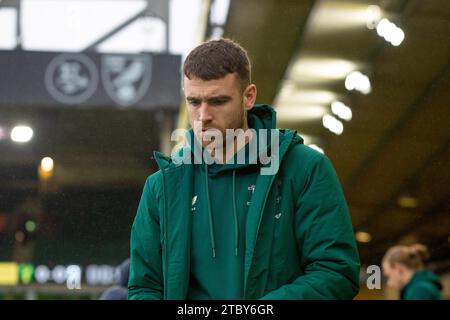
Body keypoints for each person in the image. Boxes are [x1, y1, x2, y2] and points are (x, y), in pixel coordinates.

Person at [128, 38, 360, 300]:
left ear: (248, 97)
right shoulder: (162, 186)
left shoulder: (305, 169)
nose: (203, 116)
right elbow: (144, 288)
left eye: (217, 101)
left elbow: (336, 272)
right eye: (194, 102)